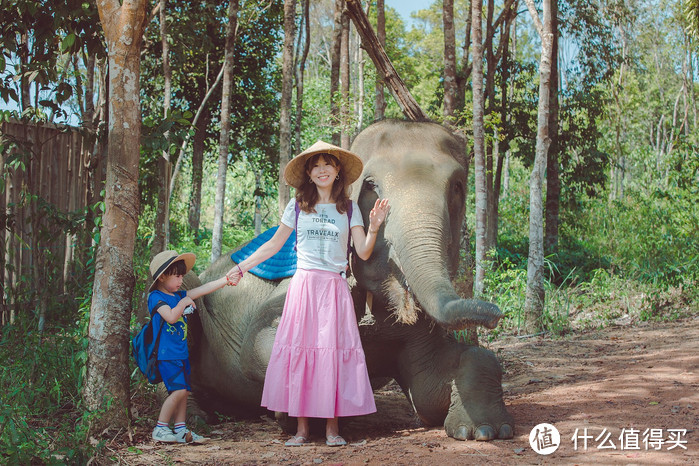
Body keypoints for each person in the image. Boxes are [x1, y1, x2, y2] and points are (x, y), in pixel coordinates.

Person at [227, 140, 390, 447]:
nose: (321, 170)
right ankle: (301, 429)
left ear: (337, 169)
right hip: (303, 287)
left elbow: (364, 253)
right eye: (315, 166)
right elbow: (274, 245)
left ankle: (332, 429)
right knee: (301, 352)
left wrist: (375, 226)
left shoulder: (348, 209)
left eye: (327, 164)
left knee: (332, 356)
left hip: (334, 287)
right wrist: (242, 267)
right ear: (309, 173)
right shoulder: (298, 206)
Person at [148, 250, 234, 444]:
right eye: (176, 276)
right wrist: (184, 302)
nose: (180, 280)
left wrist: (226, 280)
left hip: (180, 353)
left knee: (185, 391)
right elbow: (170, 316)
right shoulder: (155, 297)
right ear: (162, 277)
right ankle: (160, 428)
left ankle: (180, 429)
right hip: (166, 354)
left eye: (182, 276)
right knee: (177, 391)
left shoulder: (178, 295)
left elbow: (203, 290)